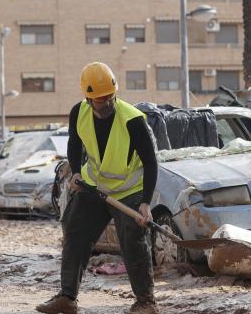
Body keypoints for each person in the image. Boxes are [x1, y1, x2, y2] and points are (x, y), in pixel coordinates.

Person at [36, 62, 159, 314]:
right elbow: (74, 143)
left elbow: (150, 161)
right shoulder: (78, 112)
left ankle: (146, 302)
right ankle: (67, 297)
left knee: (133, 240)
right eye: (99, 100)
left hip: (129, 191)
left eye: (109, 98)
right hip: (95, 187)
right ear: (87, 98)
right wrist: (77, 172)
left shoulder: (132, 120)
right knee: (74, 230)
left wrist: (145, 202)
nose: (105, 104)